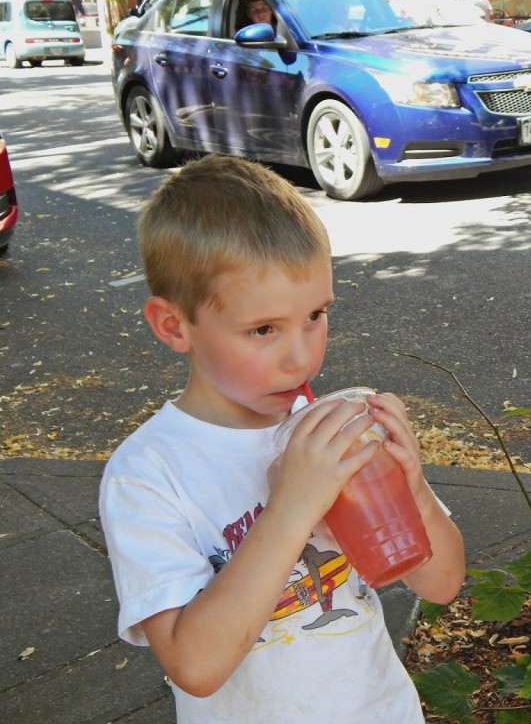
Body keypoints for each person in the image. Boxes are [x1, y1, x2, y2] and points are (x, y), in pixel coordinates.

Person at [98, 155, 465, 723]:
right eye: (263, 330)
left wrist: (412, 488)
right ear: (174, 326)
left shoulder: (329, 428)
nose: (302, 355)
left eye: (315, 315)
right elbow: (194, 668)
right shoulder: (149, 473)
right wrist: (292, 508)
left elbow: (440, 583)